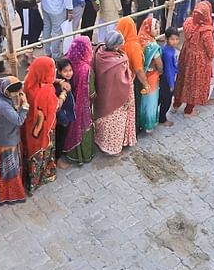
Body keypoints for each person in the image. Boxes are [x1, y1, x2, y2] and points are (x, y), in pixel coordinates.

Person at [92, 30, 135, 155]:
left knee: (103, 122)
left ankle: (100, 142)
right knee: (114, 124)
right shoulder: (118, 63)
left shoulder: (99, 53)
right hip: (116, 100)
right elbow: (123, 82)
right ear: (116, 46)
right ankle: (113, 149)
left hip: (102, 96)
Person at [21, 57, 60, 192]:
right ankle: (44, 176)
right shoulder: (47, 91)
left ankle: (31, 180)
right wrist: (64, 94)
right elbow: (55, 108)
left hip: (30, 126)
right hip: (44, 129)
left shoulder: (29, 82)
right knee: (44, 149)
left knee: (31, 150)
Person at [0, 77, 28, 205]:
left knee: (5, 170)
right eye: (14, 93)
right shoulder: (3, 105)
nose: (16, 95)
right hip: (6, 141)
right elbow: (19, 120)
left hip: (2, 137)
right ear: (6, 92)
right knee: (10, 172)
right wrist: (24, 106)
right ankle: (9, 195)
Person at [173, 2, 214, 115]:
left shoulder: (188, 22)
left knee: (182, 79)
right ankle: (189, 110)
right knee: (195, 84)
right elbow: (211, 51)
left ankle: (176, 104)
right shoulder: (206, 32)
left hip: (186, 55)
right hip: (199, 62)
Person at [62, 36, 97, 164]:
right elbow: (91, 92)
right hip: (82, 106)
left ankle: (68, 153)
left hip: (67, 102)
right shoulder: (86, 69)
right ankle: (84, 155)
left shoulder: (67, 60)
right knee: (83, 128)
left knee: (69, 128)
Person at [134, 17, 163, 131]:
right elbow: (159, 64)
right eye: (155, 28)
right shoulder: (153, 46)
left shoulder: (139, 40)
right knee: (150, 101)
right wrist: (160, 71)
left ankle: (140, 122)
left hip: (141, 76)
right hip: (151, 76)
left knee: (142, 100)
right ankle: (148, 124)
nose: (158, 30)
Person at [159, 28, 180, 127]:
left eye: (176, 39)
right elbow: (168, 70)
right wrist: (171, 84)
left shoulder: (169, 49)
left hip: (167, 78)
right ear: (166, 39)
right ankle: (162, 119)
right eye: (172, 39)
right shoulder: (167, 53)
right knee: (166, 101)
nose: (175, 41)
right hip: (167, 80)